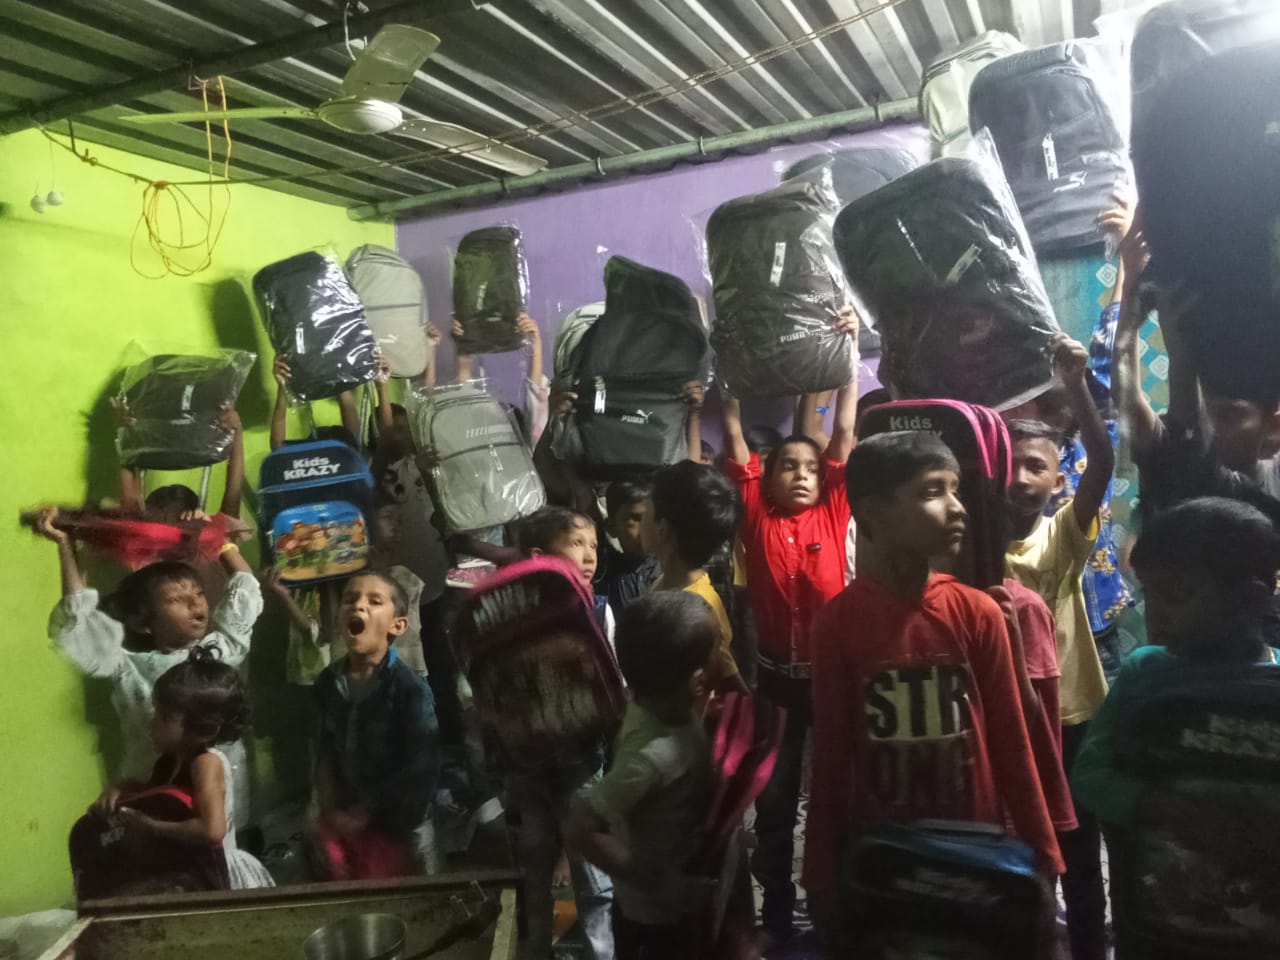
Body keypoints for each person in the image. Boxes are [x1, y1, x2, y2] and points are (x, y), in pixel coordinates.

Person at [804, 432, 1064, 935]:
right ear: (874, 512)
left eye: (955, 489)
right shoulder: (837, 625)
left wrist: (1043, 854)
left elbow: (1012, 741)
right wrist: (821, 877)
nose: (957, 507)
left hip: (976, 850)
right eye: (932, 492)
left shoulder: (978, 613)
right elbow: (832, 758)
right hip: (888, 856)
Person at [721, 307, 859, 945]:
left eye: (809, 467)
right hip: (775, 683)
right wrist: (725, 360)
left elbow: (844, 430)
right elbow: (734, 433)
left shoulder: (834, 507)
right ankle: (776, 917)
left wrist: (847, 352)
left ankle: (836, 911)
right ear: (767, 477)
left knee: (837, 798)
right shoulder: (755, 512)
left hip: (831, 682)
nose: (801, 474)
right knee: (774, 803)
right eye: (788, 467)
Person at [40, 505, 262, 823]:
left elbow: (245, 588)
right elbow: (78, 621)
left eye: (198, 593)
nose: (195, 603)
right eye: (176, 599)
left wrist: (217, 540)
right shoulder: (129, 668)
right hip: (152, 795)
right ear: (144, 622)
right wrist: (65, 545)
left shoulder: (217, 653)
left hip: (223, 798)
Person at [1003, 333, 1116, 960]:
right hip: (1006, 714)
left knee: (1079, 847)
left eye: (1036, 467)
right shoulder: (968, 540)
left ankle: (1091, 945)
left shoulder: (1062, 535)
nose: (1021, 477)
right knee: (1018, 844)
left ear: (1055, 479)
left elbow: (1102, 462)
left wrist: (1074, 385)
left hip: (1070, 714)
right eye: (1011, 464)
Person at [1072, 498, 1280, 830]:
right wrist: (1157, 806)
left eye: (1177, 596)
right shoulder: (1143, 670)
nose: (1155, 614)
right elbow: (1089, 774)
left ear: (1249, 599)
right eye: (1150, 594)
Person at [565, 592, 717, 960]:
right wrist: (660, 883)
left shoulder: (651, 705)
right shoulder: (653, 756)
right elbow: (579, 827)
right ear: (697, 679)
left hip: (675, 902)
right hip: (654, 920)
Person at [1113, 204, 1280, 527]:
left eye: (1229, 415)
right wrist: (1132, 278)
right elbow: (1126, 396)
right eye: (1209, 411)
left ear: (1273, 429)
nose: (1211, 426)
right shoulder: (1172, 450)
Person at [87, 648, 272, 891]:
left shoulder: (206, 763)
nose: (152, 722)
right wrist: (121, 790)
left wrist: (149, 826)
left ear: (201, 727)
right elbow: (163, 798)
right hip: (189, 872)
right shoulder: (167, 762)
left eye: (164, 717)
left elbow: (212, 830)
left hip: (215, 874)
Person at [311, 572, 440, 880]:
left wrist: (366, 814)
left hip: (401, 827)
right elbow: (324, 750)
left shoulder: (410, 689)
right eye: (349, 599)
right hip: (347, 825)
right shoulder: (327, 683)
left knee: (414, 898)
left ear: (398, 625)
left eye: (374, 601)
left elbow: (422, 768)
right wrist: (328, 812)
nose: (358, 606)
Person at [642, 460, 748, 703]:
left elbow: (728, 677)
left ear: (663, 530)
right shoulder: (667, 584)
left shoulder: (697, 610)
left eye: (646, 510)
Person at [118, 402, 248, 539]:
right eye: (165, 520)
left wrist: (125, 433)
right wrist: (236, 430)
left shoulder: (205, 543)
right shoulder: (139, 543)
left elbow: (233, 496)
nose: (168, 529)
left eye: (173, 521)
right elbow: (233, 495)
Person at [518, 505, 614, 642]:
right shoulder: (516, 613)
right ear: (539, 558)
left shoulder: (599, 611)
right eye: (577, 543)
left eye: (593, 546)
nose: (590, 558)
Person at [599, 480, 661, 619]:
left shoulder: (671, 571)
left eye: (651, 519)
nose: (646, 528)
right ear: (611, 527)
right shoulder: (602, 575)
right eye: (635, 519)